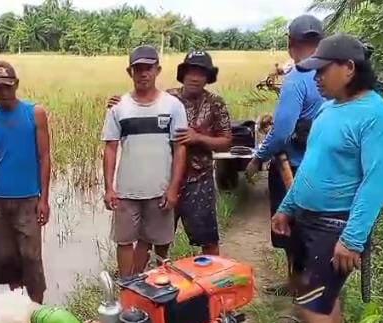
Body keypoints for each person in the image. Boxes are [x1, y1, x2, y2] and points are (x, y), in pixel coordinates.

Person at [272, 33, 383, 323]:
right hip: (306, 219)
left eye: (321, 70)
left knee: (315, 307)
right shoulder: (329, 109)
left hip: (336, 226)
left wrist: (353, 237)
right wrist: (287, 207)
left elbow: (377, 183)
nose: (315, 78)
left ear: (348, 68)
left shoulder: (378, 117)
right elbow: (312, 166)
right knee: (317, 298)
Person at [107, 50, 232, 256]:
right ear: (182, 75)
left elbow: (226, 142)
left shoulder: (215, 103)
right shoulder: (169, 99)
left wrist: (198, 138)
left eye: (201, 73)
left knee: (207, 237)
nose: (194, 77)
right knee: (155, 238)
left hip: (198, 180)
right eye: (190, 72)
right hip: (162, 179)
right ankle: (155, 278)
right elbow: (141, 101)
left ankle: (212, 278)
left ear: (208, 77)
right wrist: (118, 102)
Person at [245, 14, 326, 296]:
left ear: (291, 42)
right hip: (326, 169)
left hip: (292, 167)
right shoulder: (334, 73)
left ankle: (299, 287)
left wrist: (257, 158)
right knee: (315, 228)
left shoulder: (297, 77)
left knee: (290, 227)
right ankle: (310, 286)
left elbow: (281, 132)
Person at [102, 45, 189, 277]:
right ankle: (128, 288)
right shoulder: (118, 107)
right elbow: (110, 149)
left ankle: (157, 287)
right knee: (124, 241)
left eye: (148, 68)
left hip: (160, 190)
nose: (143, 74)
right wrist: (109, 188)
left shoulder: (173, 106)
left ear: (157, 70)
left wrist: (173, 189)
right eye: (138, 69)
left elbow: (180, 150)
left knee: (160, 242)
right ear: (130, 72)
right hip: (126, 191)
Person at [0, 60, 51, 304]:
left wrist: (44, 199)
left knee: (31, 258)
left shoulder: (35, 113)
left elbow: (44, 157)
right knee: (7, 259)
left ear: (16, 84)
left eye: (8, 86)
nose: (4, 93)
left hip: (28, 198)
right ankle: (19, 308)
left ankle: (38, 310)